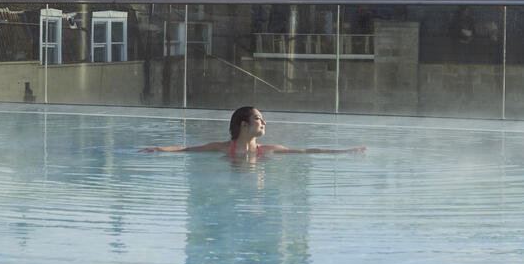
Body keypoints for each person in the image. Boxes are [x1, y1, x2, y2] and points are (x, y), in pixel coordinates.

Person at [140, 106, 366, 158]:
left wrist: (345, 151)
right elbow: (185, 149)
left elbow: (306, 151)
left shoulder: (268, 150)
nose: (264, 122)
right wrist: (158, 148)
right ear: (243, 125)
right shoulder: (221, 147)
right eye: (258, 118)